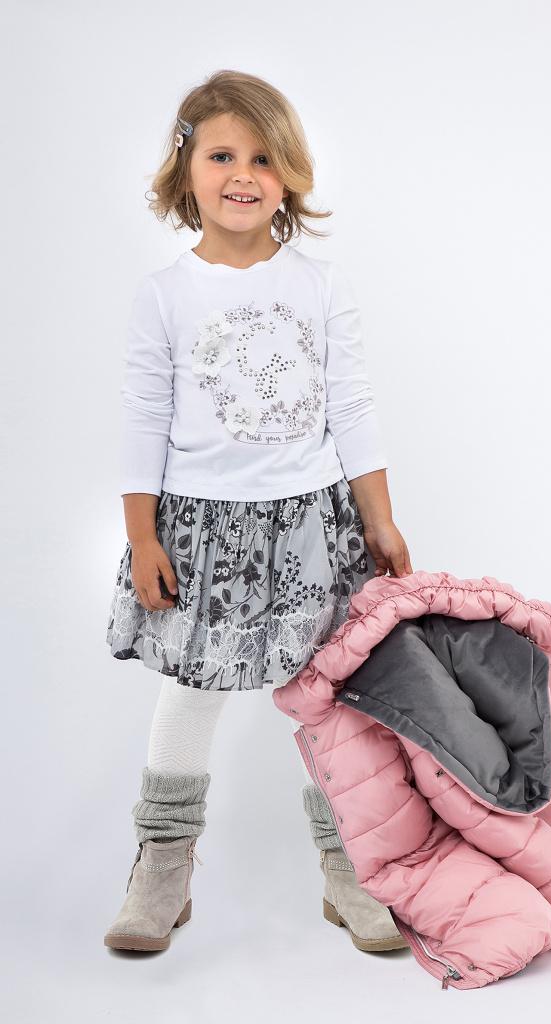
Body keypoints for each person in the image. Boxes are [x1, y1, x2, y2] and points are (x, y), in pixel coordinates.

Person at [103, 69, 412, 953]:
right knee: (193, 688)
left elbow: (351, 405)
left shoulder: (320, 285)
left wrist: (379, 518)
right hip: (202, 530)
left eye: (264, 158)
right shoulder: (165, 294)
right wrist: (141, 534)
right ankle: (163, 865)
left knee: (329, 696)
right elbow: (144, 418)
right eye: (222, 155)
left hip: (313, 528)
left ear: (290, 176)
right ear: (186, 169)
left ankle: (348, 865)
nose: (244, 174)